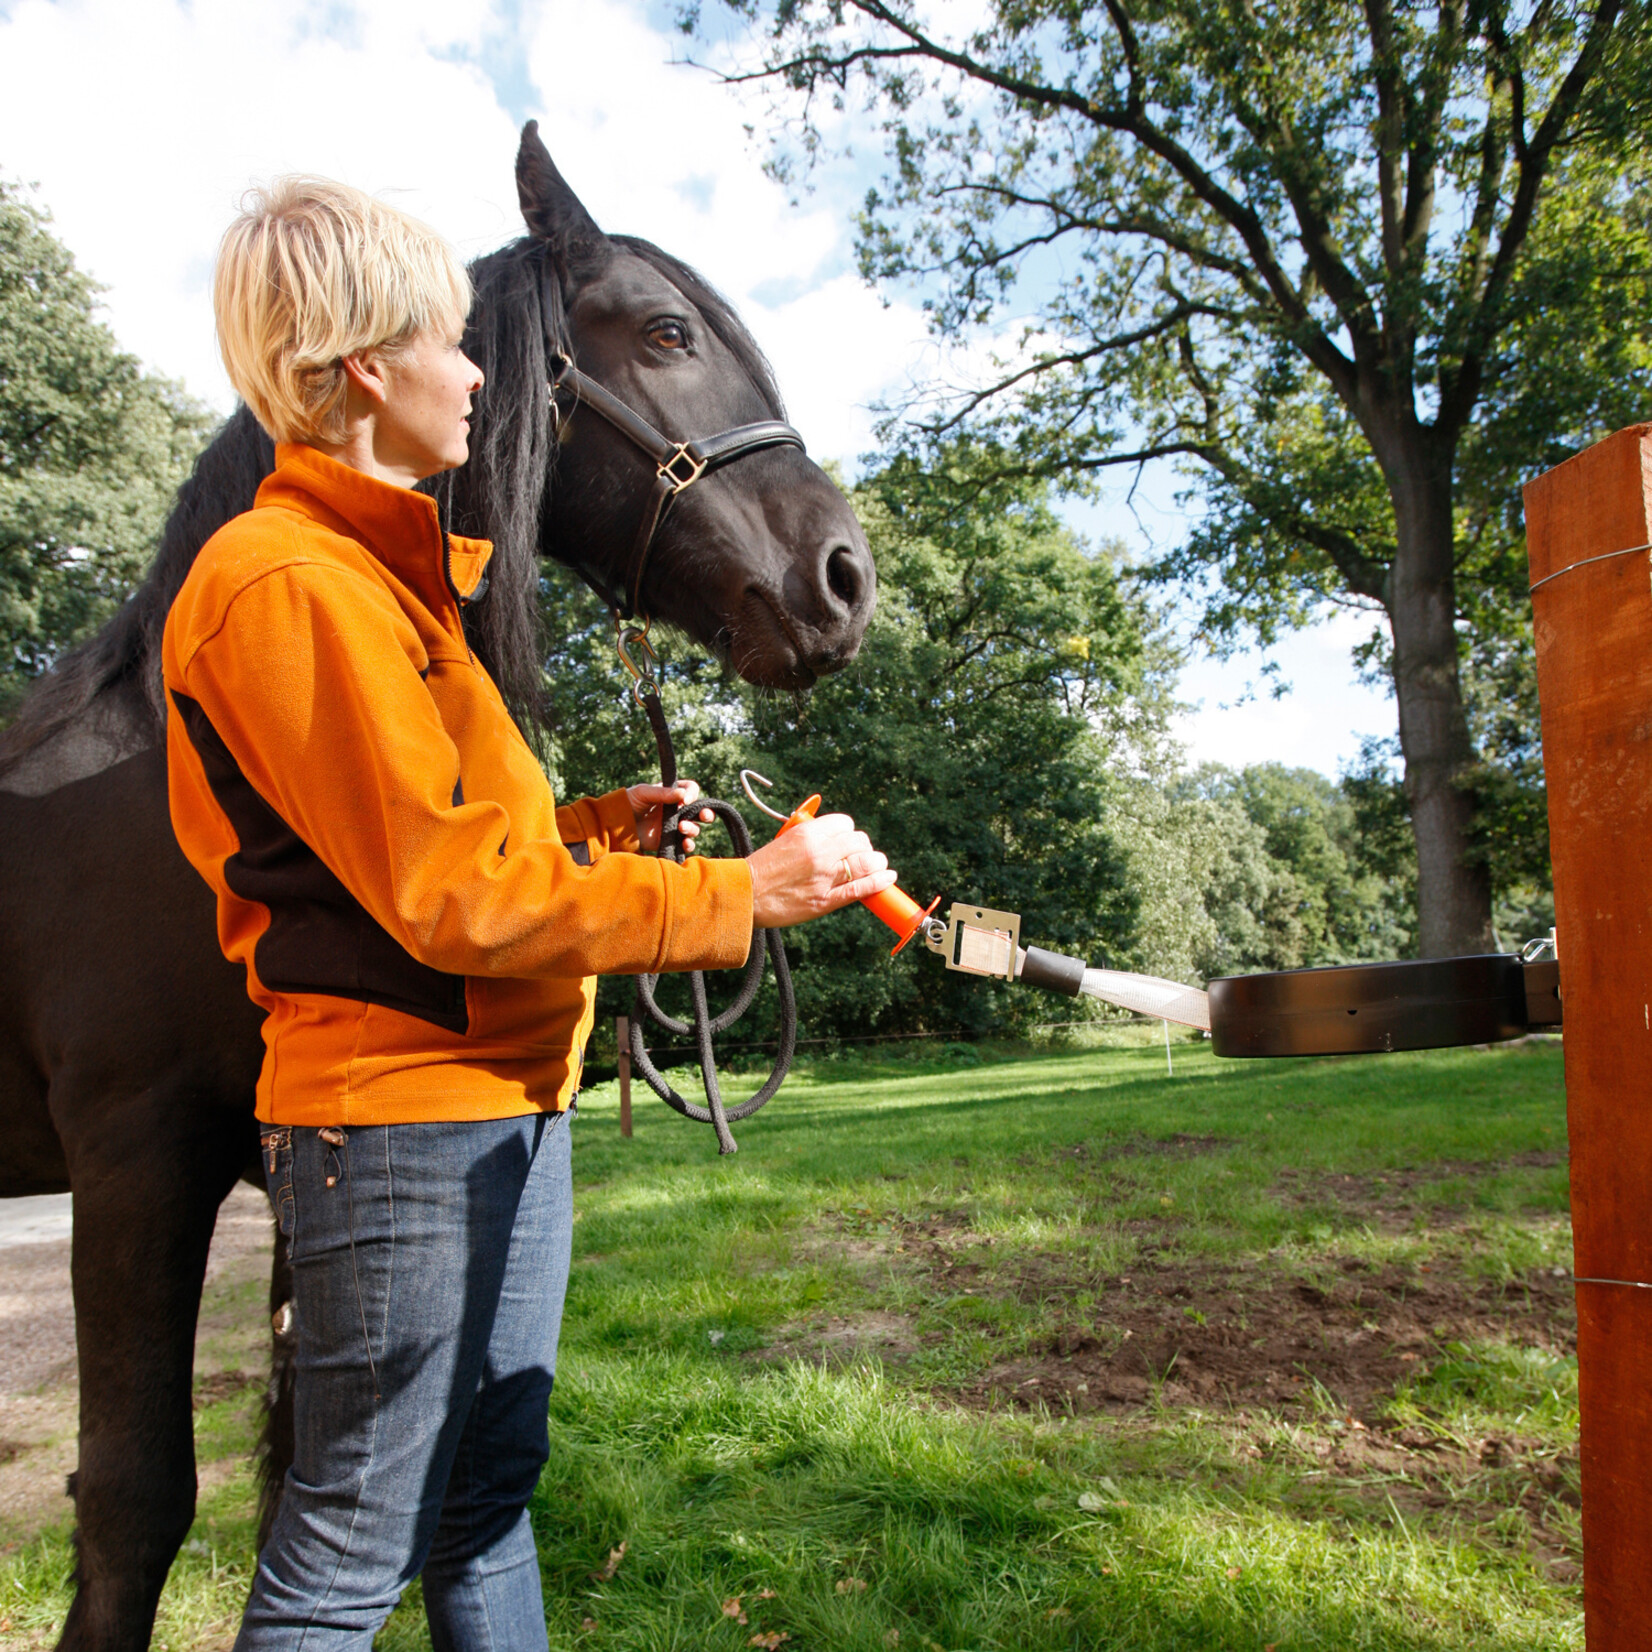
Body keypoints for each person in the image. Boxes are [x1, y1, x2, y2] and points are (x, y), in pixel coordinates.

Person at [161, 176, 895, 1650]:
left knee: (487, 1500)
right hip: (397, 1124)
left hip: (505, 1103)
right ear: (368, 366)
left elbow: (417, 853)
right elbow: (445, 899)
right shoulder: (283, 584)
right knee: (348, 1549)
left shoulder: (389, 590)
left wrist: (600, 831)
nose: (484, 371)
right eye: (453, 341)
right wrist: (735, 895)